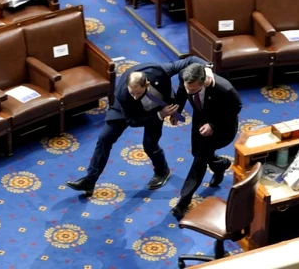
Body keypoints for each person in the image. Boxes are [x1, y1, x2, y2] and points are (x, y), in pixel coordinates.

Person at [66, 57, 213, 196]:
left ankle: (162, 171)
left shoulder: (159, 71)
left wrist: (207, 68)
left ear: (147, 84)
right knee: (104, 138)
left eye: (138, 93)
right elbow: (132, 121)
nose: (135, 96)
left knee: (150, 145)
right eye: (132, 93)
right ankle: (89, 181)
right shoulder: (124, 94)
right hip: (126, 112)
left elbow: (190, 60)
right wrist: (159, 116)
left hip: (156, 108)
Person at [170, 63, 242, 220]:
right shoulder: (186, 77)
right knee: (197, 152)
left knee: (200, 160)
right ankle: (220, 164)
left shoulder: (224, 89)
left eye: (194, 90)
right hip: (200, 121)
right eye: (187, 87)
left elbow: (236, 108)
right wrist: (177, 111)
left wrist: (214, 125)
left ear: (204, 82)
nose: (189, 91)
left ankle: (182, 203)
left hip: (222, 127)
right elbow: (182, 93)